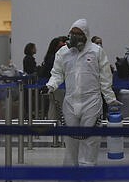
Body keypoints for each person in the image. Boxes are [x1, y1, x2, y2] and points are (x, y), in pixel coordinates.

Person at [42, 19, 121, 170]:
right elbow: (57, 73)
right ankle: (76, 166)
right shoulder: (63, 52)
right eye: (72, 33)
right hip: (70, 101)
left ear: (85, 35)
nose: (74, 36)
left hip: (91, 101)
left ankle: (88, 168)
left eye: (78, 34)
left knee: (91, 137)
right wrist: (50, 86)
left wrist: (110, 99)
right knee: (71, 137)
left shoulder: (96, 51)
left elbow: (105, 78)